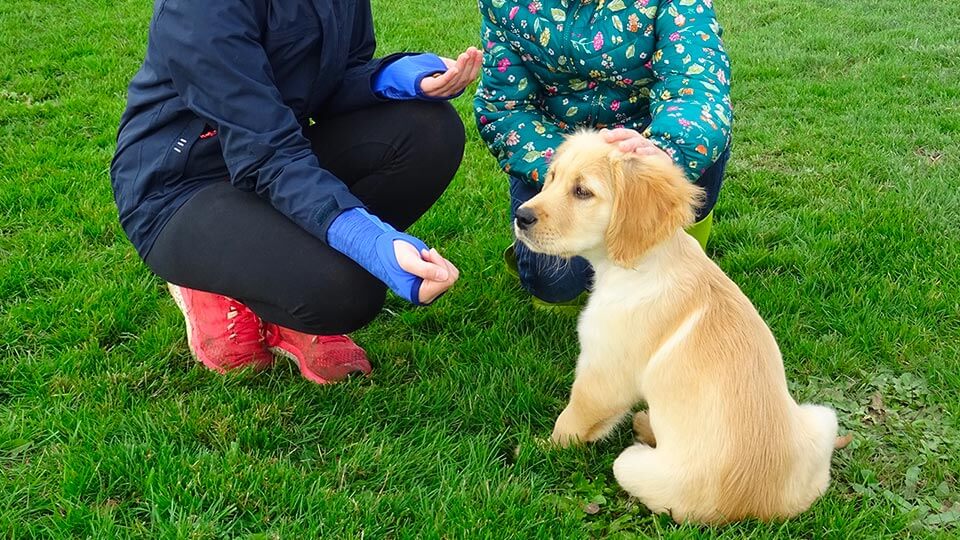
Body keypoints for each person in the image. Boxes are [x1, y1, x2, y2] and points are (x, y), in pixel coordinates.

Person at [110, 0, 481, 384]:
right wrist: (364, 237)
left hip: (278, 153)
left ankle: (284, 289)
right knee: (346, 290)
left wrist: (390, 78)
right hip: (181, 186)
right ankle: (214, 285)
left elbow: (335, 79)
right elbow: (266, 152)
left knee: (430, 131)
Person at [475, 0, 732, 310]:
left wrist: (663, 152)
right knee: (553, 281)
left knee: (696, 142)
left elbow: (698, 88)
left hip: (646, 145)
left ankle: (682, 231)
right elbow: (505, 107)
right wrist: (571, 164)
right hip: (556, 153)